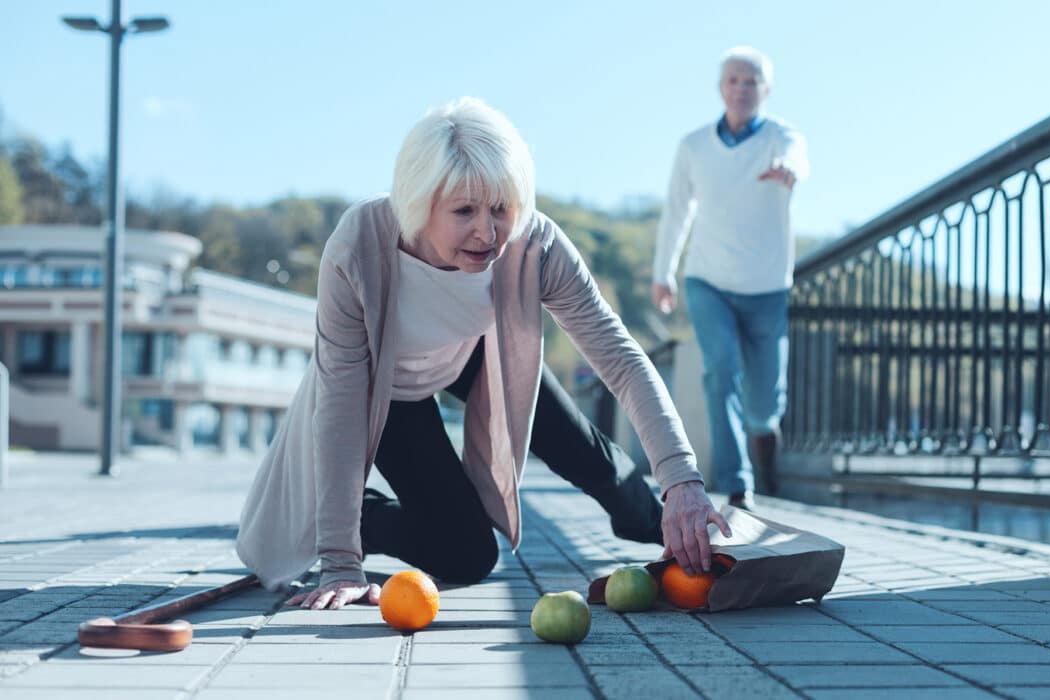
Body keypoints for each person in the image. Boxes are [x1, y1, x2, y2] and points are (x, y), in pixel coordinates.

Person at [236, 97, 730, 610]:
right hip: (386, 386)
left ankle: (679, 533)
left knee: (592, 458)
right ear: (419, 202)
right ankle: (362, 517)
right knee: (466, 556)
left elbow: (622, 361)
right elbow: (339, 402)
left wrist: (682, 482)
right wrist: (341, 559)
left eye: (500, 208)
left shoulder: (534, 243)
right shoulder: (359, 245)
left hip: (475, 352)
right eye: (464, 211)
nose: (488, 232)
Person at [652, 46, 809, 511]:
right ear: (722, 88)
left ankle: (766, 443)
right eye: (734, 80)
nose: (742, 88)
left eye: (752, 81)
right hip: (708, 281)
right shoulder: (694, 146)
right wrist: (664, 273)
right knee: (719, 373)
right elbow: (676, 213)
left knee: (764, 403)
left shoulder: (783, 137)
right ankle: (738, 486)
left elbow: (799, 159)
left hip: (766, 286)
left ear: (766, 90)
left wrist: (790, 171)